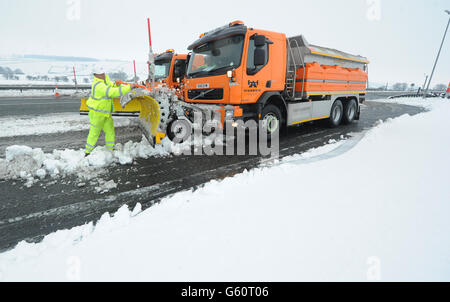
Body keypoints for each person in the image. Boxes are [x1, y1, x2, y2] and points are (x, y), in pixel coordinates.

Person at [85, 69, 136, 157]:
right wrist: (128, 87)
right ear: (96, 75)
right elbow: (111, 92)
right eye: (101, 74)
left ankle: (110, 148)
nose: (103, 75)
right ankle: (88, 152)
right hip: (97, 114)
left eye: (103, 73)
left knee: (110, 131)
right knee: (94, 133)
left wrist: (116, 84)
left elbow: (111, 86)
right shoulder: (98, 85)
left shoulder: (105, 79)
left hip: (106, 113)